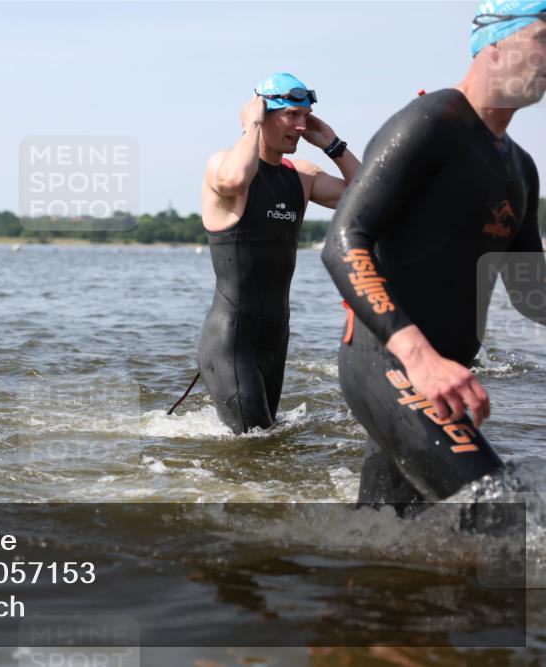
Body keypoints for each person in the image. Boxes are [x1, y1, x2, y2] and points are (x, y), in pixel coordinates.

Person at [321, 1, 546, 507]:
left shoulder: (521, 167)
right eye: (544, 39)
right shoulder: (431, 123)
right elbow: (342, 241)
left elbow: (534, 295)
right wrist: (420, 358)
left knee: (387, 531)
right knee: (500, 515)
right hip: (390, 361)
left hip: (445, 377)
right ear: (495, 44)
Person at [194, 73, 360, 434]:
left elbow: (368, 198)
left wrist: (332, 144)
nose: (301, 126)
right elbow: (238, 179)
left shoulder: (301, 177)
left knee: (268, 441)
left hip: (275, 339)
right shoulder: (221, 165)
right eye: (292, 115)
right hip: (231, 341)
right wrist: (251, 124)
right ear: (262, 113)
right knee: (252, 443)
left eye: (306, 116)